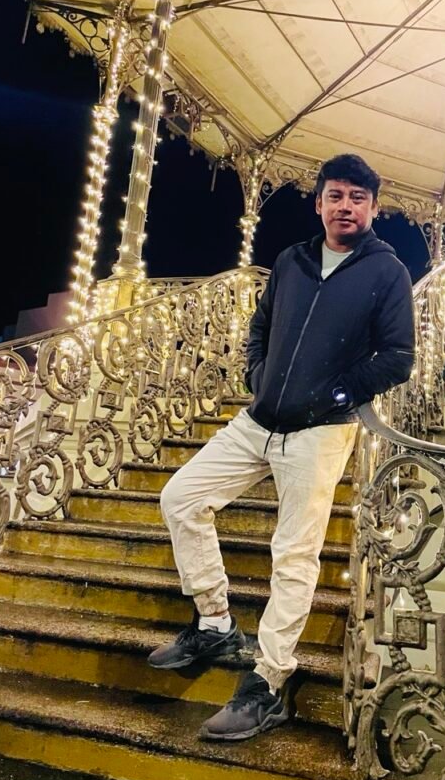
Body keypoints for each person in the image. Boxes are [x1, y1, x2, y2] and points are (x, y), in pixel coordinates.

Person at [148, 153, 415, 742]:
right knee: (181, 498)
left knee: (294, 555)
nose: (346, 206)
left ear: (373, 208)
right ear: (318, 203)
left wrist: (336, 392)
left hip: (321, 430)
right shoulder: (292, 261)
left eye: (358, 198)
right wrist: (259, 376)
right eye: (336, 195)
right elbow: (260, 328)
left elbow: (398, 357)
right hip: (258, 420)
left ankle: (268, 681)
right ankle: (215, 624)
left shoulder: (387, 272)